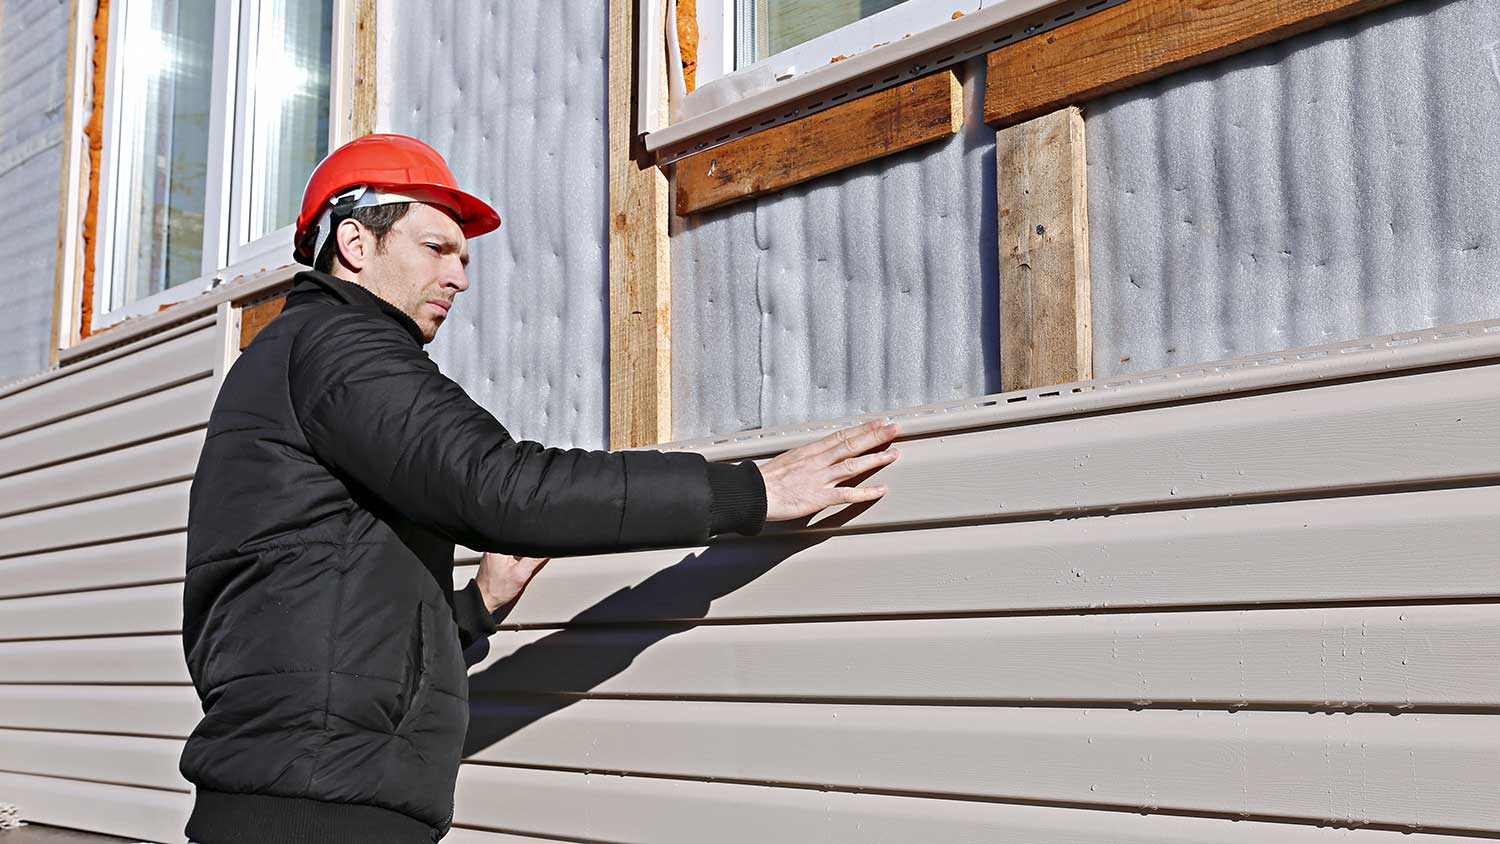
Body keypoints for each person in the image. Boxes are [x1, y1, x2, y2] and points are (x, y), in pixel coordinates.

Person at [179, 134, 900, 843]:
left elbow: (319, 626)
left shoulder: (286, 362)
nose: (460, 277)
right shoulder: (339, 347)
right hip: (319, 820)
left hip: (293, 800)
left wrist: (477, 610)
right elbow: (502, 488)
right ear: (356, 244)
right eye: (437, 248)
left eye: (464, 258)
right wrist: (751, 492)